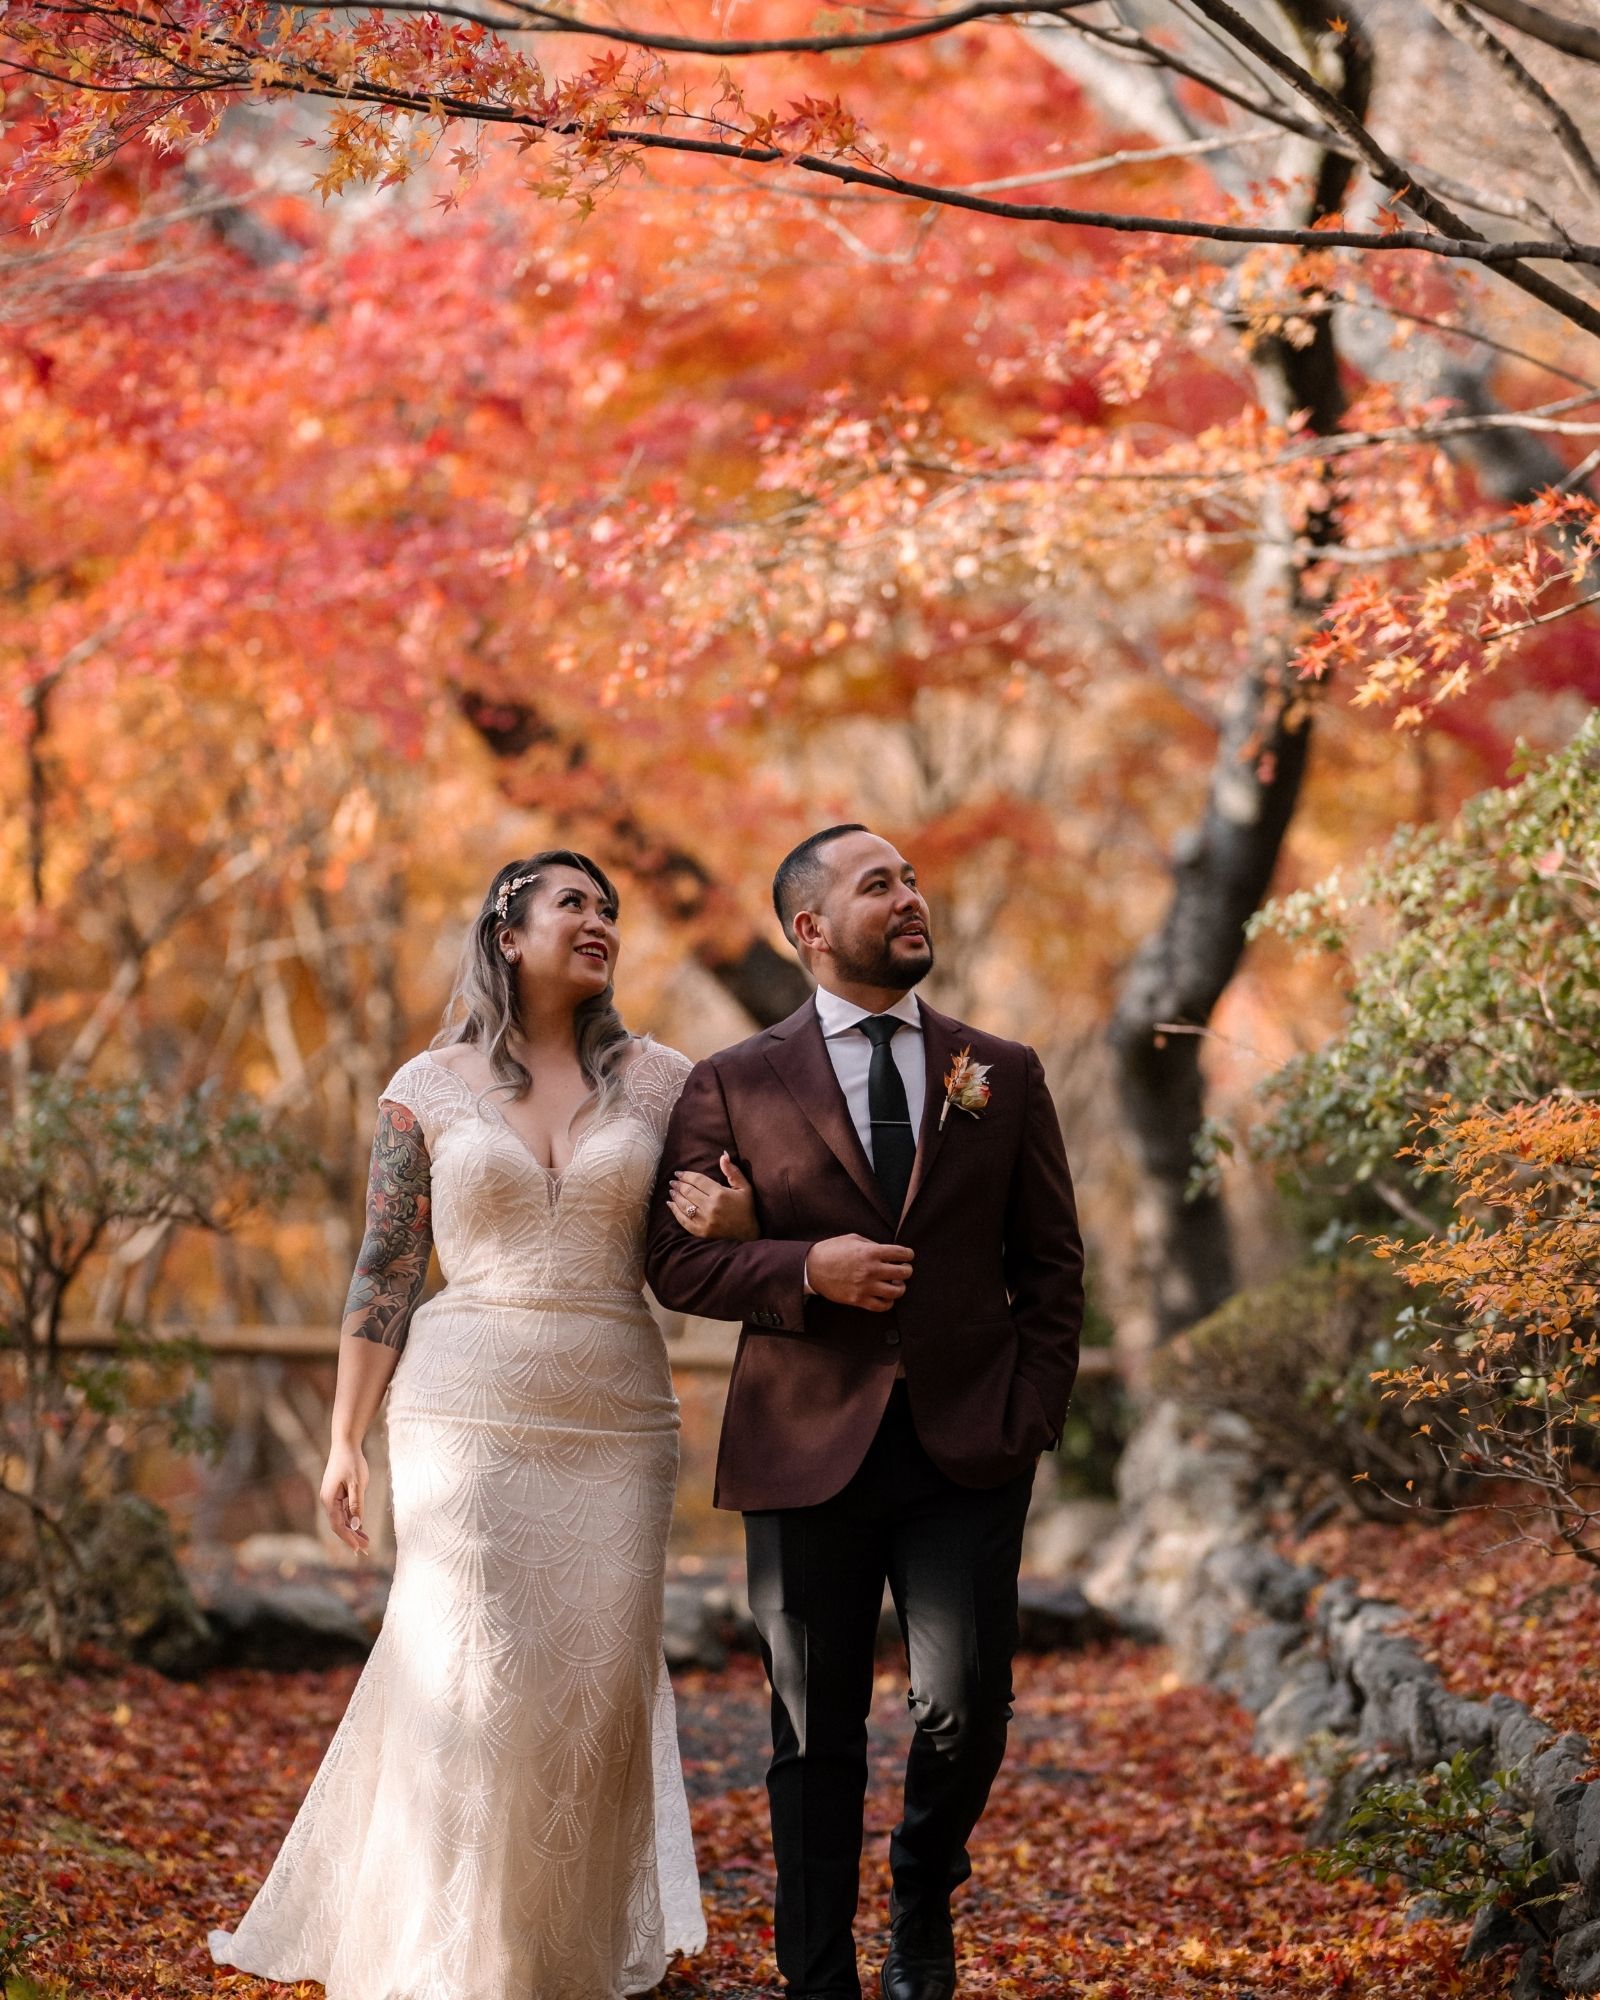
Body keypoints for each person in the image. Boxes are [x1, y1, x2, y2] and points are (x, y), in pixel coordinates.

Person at [210, 851, 749, 2000]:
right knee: (474, 1670)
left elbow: (700, 1249)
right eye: (573, 903)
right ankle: (457, 1958)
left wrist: (741, 1214)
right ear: (508, 933)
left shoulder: (665, 1081)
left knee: (595, 1685)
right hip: (463, 1409)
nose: (599, 921)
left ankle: (557, 1954)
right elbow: (386, 1264)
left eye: (610, 908)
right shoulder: (429, 1082)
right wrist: (344, 1436)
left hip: (617, 1414)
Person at [645, 825, 1084, 2000]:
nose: (909, 897)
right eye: (876, 883)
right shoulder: (728, 1081)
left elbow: (1052, 1266)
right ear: (806, 928)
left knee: (964, 1707)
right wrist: (799, 1268)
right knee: (811, 1731)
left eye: (910, 879)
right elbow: (674, 1268)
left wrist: (1031, 1412)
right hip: (802, 1449)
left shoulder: (1003, 1069)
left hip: (968, 1444)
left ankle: (922, 1880)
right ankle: (819, 1978)